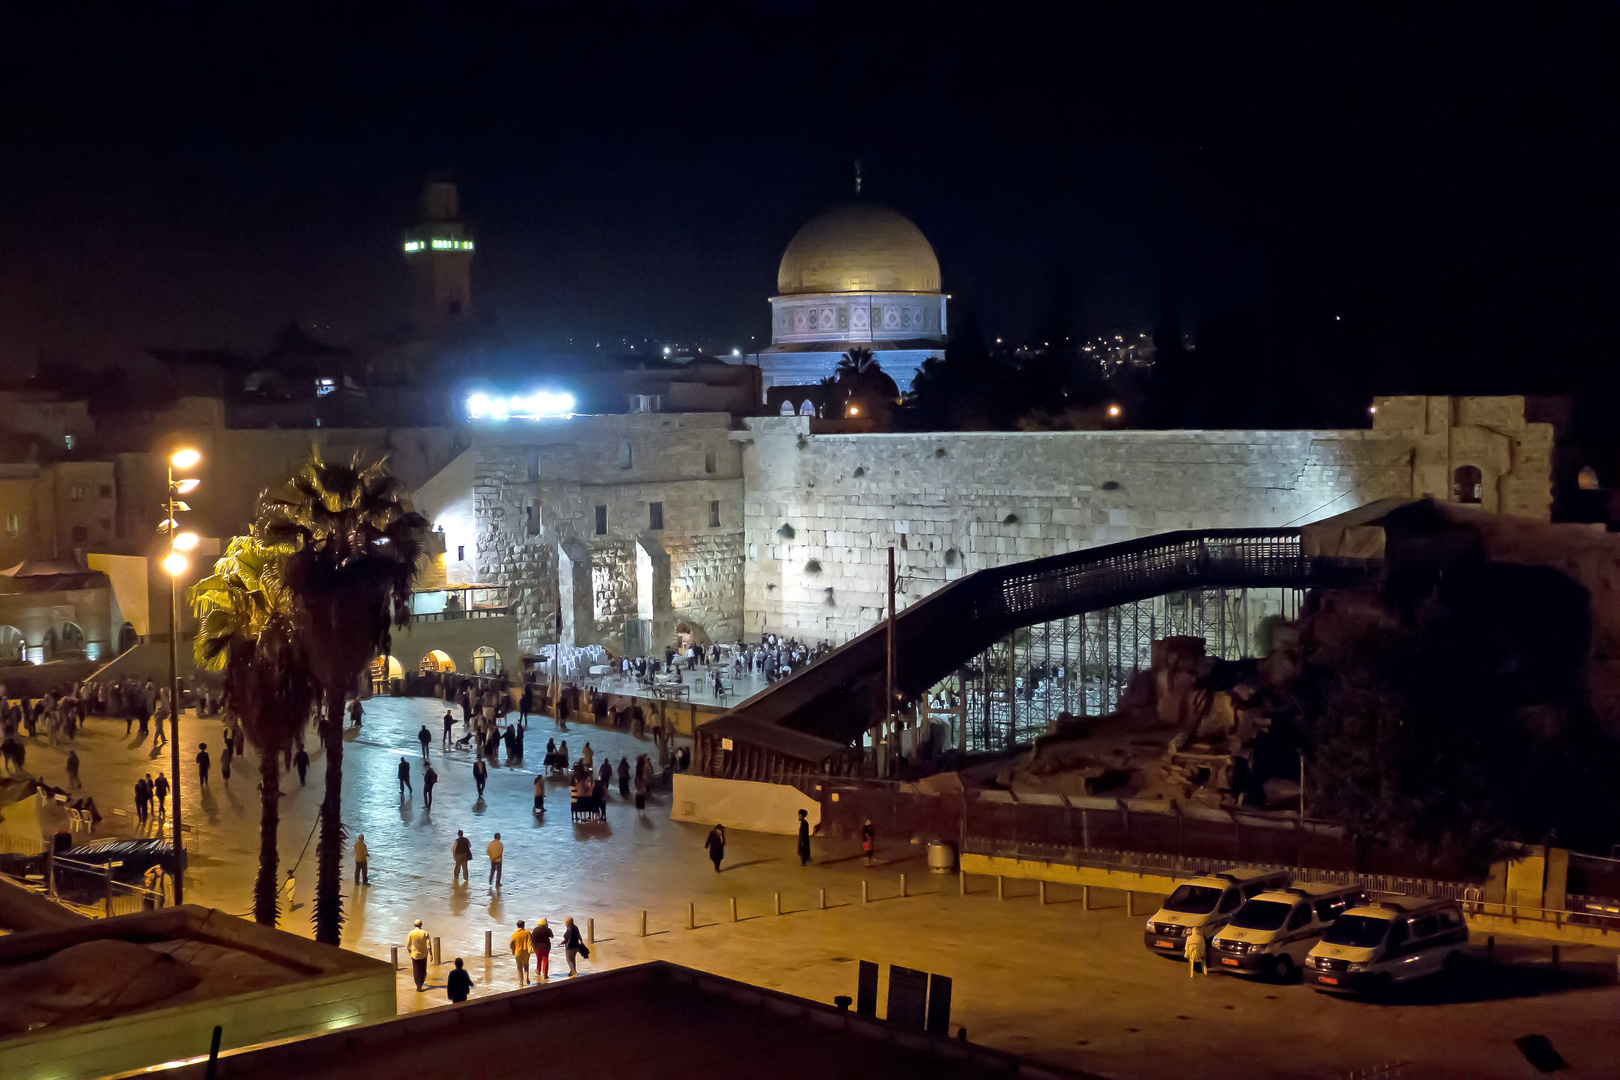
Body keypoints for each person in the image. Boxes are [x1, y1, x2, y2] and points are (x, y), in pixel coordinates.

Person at [407, 919, 431, 991]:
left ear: (414, 925)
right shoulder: (425, 933)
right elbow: (428, 944)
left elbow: (408, 944)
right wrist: (431, 953)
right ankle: (421, 981)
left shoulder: (411, 933)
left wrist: (409, 950)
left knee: (416, 970)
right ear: (421, 925)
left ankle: (418, 985)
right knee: (423, 969)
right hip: (423, 954)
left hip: (414, 954)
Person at [510, 920, 533, 986]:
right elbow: (531, 941)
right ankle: (527, 977)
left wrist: (513, 950)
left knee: (519, 967)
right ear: (523, 925)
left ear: (517, 926)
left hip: (518, 952)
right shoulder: (527, 932)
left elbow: (511, 944)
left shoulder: (514, 934)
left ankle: (521, 982)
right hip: (526, 952)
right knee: (526, 965)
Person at [533, 917, 553, 981]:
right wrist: (547, 927)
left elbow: (532, 939)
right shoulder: (548, 930)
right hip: (546, 947)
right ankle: (545, 975)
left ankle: (538, 971)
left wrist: (533, 947)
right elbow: (552, 936)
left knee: (538, 959)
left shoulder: (535, 930)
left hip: (537, 947)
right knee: (545, 960)